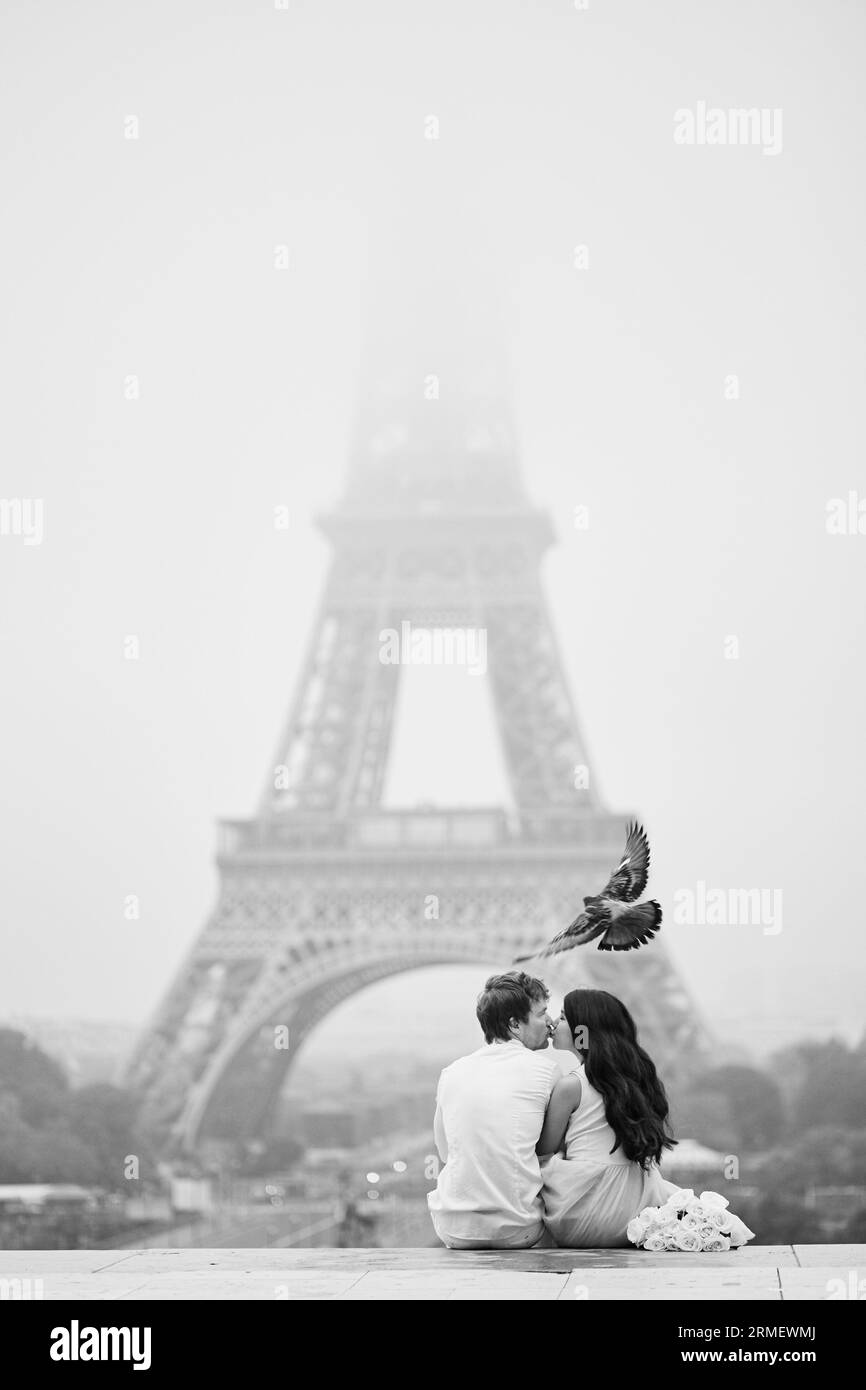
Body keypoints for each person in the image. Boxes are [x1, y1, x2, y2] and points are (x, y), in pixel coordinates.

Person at [538, 987, 682, 1246]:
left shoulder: (570, 1086)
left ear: (582, 1031)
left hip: (583, 1212)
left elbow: (544, 1150)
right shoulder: (635, 1079)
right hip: (636, 1209)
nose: (555, 1023)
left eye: (563, 1017)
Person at [426, 971, 560, 1249]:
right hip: (517, 1229)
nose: (550, 1021)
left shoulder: (451, 1072)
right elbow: (552, 1151)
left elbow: (445, 1151)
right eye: (541, 1013)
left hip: (452, 1230)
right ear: (514, 1024)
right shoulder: (547, 1072)